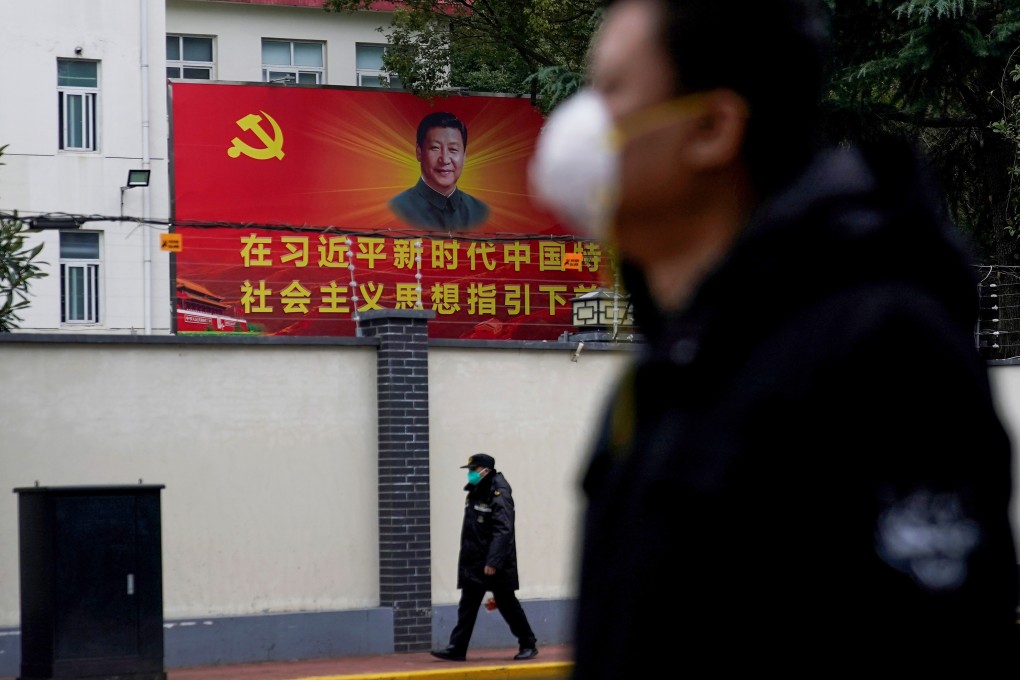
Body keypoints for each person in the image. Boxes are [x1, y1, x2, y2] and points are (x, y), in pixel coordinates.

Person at [528, 0, 1019, 674]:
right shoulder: (671, 367)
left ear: (712, 128)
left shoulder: (883, 347)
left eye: (612, 88)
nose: (576, 124)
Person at [431, 453, 539, 662]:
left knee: (506, 603)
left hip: (494, 562)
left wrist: (493, 561)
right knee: (468, 604)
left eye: (473, 470)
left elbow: (503, 529)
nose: (470, 474)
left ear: (485, 470)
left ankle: (528, 643)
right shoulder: (476, 490)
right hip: (475, 560)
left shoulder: (498, 491)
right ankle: (457, 647)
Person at [388, 111, 490, 231]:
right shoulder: (396, 208)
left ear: (464, 156)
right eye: (435, 148)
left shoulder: (480, 211)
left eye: (453, 149)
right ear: (419, 152)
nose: (445, 159)